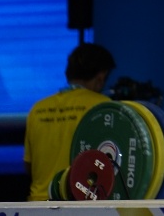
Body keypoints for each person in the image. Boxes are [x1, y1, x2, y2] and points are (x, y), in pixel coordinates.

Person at [23, 42, 115, 200]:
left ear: (68, 73)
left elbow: (29, 166)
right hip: (78, 206)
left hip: (36, 206)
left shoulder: (38, 109)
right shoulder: (104, 108)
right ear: (101, 77)